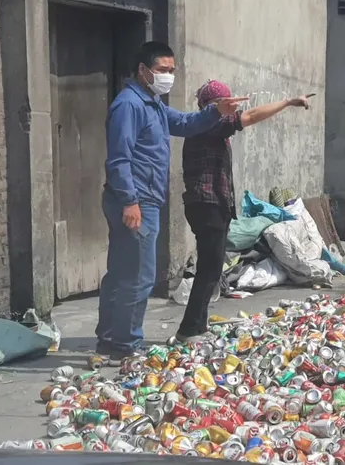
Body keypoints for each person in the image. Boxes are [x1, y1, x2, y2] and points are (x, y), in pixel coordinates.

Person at [99, 42, 248, 364]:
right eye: (162, 70)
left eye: (171, 71)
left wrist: (216, 111)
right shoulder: (129, 106)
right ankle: (125, 346)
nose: (168, 77)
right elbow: (119, 158)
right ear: (143, 70)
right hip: (136, 199)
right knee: (138, 275)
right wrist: (130, 201)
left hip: (143, 198)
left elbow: (184, 124)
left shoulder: (152, 104)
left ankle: (110, 339)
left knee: (122, 272)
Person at [175, 81, 313, 344]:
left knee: (213, 267)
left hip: (213, 204)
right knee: (209, 268)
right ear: (211, 105)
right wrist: (286, 102)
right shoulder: (207, 124)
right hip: (207, 205)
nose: (231, 108)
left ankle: (197, 325)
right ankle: (189, 329)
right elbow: (249, 117)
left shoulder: (209, 126)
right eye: (225, 103)